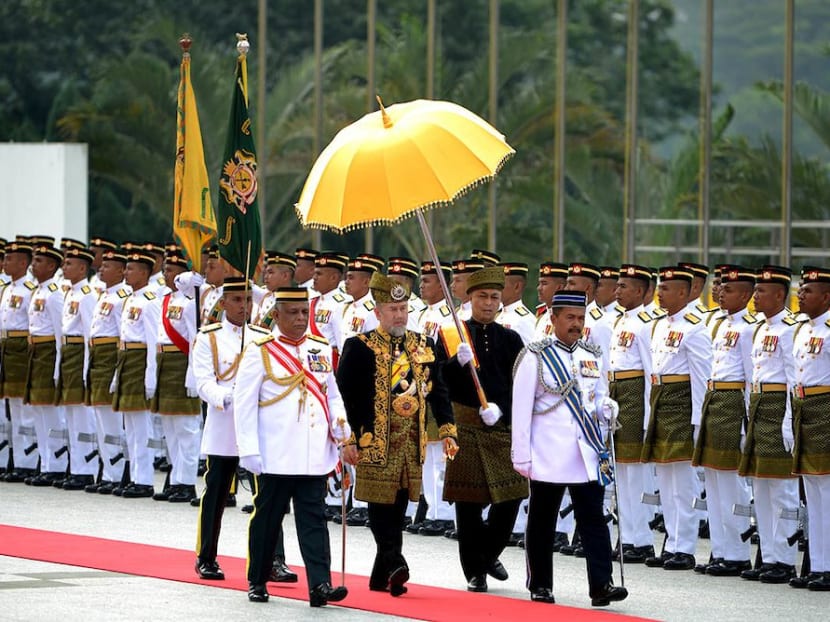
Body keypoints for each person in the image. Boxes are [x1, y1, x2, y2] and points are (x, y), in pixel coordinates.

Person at [337, 272, 457, 596]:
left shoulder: (423, 345)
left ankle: (382, 575)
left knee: (399, 507)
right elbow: (345, 396)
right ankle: (395, 562)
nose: (399, 315)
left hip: (410, 443)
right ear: (378, 312)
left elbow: (439, 392)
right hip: (373, 440)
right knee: (380, 507)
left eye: (403, 308)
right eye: (392, 309)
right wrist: (349, 437)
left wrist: (448, 429)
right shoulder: (359, 347)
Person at [233, 287, 351, 607]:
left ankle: (320, 585)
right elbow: (244, 405)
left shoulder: (319, 347)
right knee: (268, 520)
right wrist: (249, 450)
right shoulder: (260, 349)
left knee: (314, 520)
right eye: (293, 313)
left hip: (313, 453)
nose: (301, 319)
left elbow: (332, 396)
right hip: (276, 454)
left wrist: (343, 434)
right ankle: (257, 578)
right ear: (276, 315)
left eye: (304, 313)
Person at [512, 291, 628, 606]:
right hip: (548, 453)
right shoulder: (535, 356)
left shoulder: (591, 355)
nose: (576, 325)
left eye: (580, 318)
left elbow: (598, 395)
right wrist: (520, 455)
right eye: (570, 318)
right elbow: (520, 410)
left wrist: (607, 408)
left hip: (586, 452)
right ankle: (540, 584)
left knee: (593, 518)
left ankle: (602, 584)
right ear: (553, 319)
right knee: (542, 520)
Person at [438, 266, 527, 592]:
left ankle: (489, 551)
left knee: (512, 495)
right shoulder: (453, 335)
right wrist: (454, 363)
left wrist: (502, 409)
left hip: (499, 424)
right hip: (466, 424)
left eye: (494, 297)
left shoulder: (511, 338)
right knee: (469, 504)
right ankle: (474, 571)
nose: (488, 303)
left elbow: (520, 382)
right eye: (482, 297)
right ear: (469, 298)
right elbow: (438, 382)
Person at [641, 266, 711, 570]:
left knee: (682, 481)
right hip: (661, 401)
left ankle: (685, 546)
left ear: (684, 293)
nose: (659, 292)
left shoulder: (695, 328)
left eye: (666, 288)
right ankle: (671, 543)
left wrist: (698, 422)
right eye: (660, 287)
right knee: (666, 480)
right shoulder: (658, 326)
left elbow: (701, 379)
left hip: (682, 405)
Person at [691, 266, 756, 576]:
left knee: (731, 483)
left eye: (728, 290)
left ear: (745, 295)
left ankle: (738, 552)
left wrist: (748, 421)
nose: (719, 293)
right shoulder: (717, 323)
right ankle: (720, 550)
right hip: (714, 400)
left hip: (733, 404)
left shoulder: (749, 328)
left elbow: (751, 377)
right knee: (714, 482)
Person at [738, 265, 799, 583]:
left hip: (778, 406)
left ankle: (786, 559)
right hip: (759, 405)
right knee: (760, 484)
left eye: (761, 291)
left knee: (782, 488)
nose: (755, 296)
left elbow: (793, 378)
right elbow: (751, 375)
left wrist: (789, 420)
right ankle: (769, 556)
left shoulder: (790, 328)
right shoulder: (760, 328)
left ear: (779, 294)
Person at [608, 264, 656, 563]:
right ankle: (627, 536)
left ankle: (641, 539)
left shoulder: (647, 324)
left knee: (635, 471)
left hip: (635, 395)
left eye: (623, 286)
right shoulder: (619, 321)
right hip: (617, 393)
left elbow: (651, 371)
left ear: (639, 291)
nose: (617, 291)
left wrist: (650, 413)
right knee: (621, 470)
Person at [789, 266, 830, 590]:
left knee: (827, 492)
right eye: (801, 289)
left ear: (826, 297)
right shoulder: (802, 330)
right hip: (804, 408)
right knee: (813, 493)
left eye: (808, 291)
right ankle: (818, 564)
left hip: (825, 409)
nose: (800, 294)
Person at [150, 247, 200, 503]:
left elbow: (194, 340)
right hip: (164, 362)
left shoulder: (191, 303)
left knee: (186, 429)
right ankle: (175, 478)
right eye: (165, 269)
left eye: (171, 270)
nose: (165, 274)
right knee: (169, 427)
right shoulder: (166, 299)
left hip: (181, 363)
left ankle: (187, 481)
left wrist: (193, 374)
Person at [111, 248, 161, 498]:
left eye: (131, 269)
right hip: (126, 360)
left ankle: (144, 479)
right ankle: (134, 476)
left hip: (140, 360)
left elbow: (153, 343)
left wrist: (150, 377)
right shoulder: (130, 299)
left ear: (144, 272)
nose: (126, 272)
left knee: (141, 426)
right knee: (130, 424)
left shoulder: (150, 301)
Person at [85, 247, 130, 494]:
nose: (101, 268)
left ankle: (117, 471)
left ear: (121, 271)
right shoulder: (104, 295)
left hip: (110, 357)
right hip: (97, 357)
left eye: (107, 266)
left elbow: (123, 335)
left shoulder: (122, 296)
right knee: (101, 417)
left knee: (111, 420)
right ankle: (107, 470)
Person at [25, 240, 68, 486]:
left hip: (49, 352)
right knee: (38, 410)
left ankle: (57, 465)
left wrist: (58, 364)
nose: (34, 265)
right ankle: (46, 462)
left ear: (52, 266)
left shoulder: (54, 294)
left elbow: (61, 333)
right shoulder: (38, 291)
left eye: (39, 261)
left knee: (51, 413)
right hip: (35, 351)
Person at [57, 246, 99, 490]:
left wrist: (86, 369)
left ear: (83, 268)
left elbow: (88, 336)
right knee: (71, 414)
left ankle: (87, 468)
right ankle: (76, 467)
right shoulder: (69, 293)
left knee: (83, 416)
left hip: (78, 354)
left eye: (69, 264)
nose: (64, 267)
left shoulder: (86, 294)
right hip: (67, 354)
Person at [0, 237, 38, 482]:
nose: (5, 263)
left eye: (10, 259)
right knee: (9, 408)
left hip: (21, 348)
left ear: (23, 262)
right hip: (5, 347)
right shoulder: (6, 289)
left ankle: (27, 461)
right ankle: (7, 459)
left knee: (24, 410)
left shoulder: (30, 291)